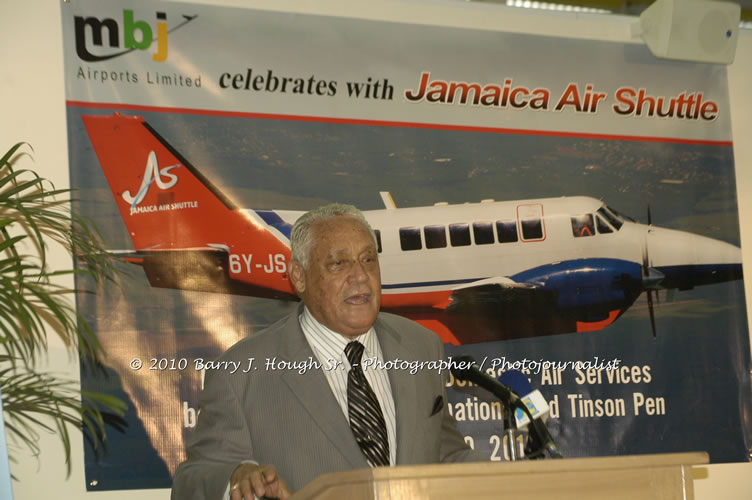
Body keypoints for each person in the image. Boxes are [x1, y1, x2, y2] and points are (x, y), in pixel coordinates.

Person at [171, 203, 487, 500]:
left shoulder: (420, 346)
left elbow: (444, 454)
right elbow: (192, 480)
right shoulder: (241, 373)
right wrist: (235, 477)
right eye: (338, 264)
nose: (360, 276)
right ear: (299, 276)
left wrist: (524, 475)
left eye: (368, 260)